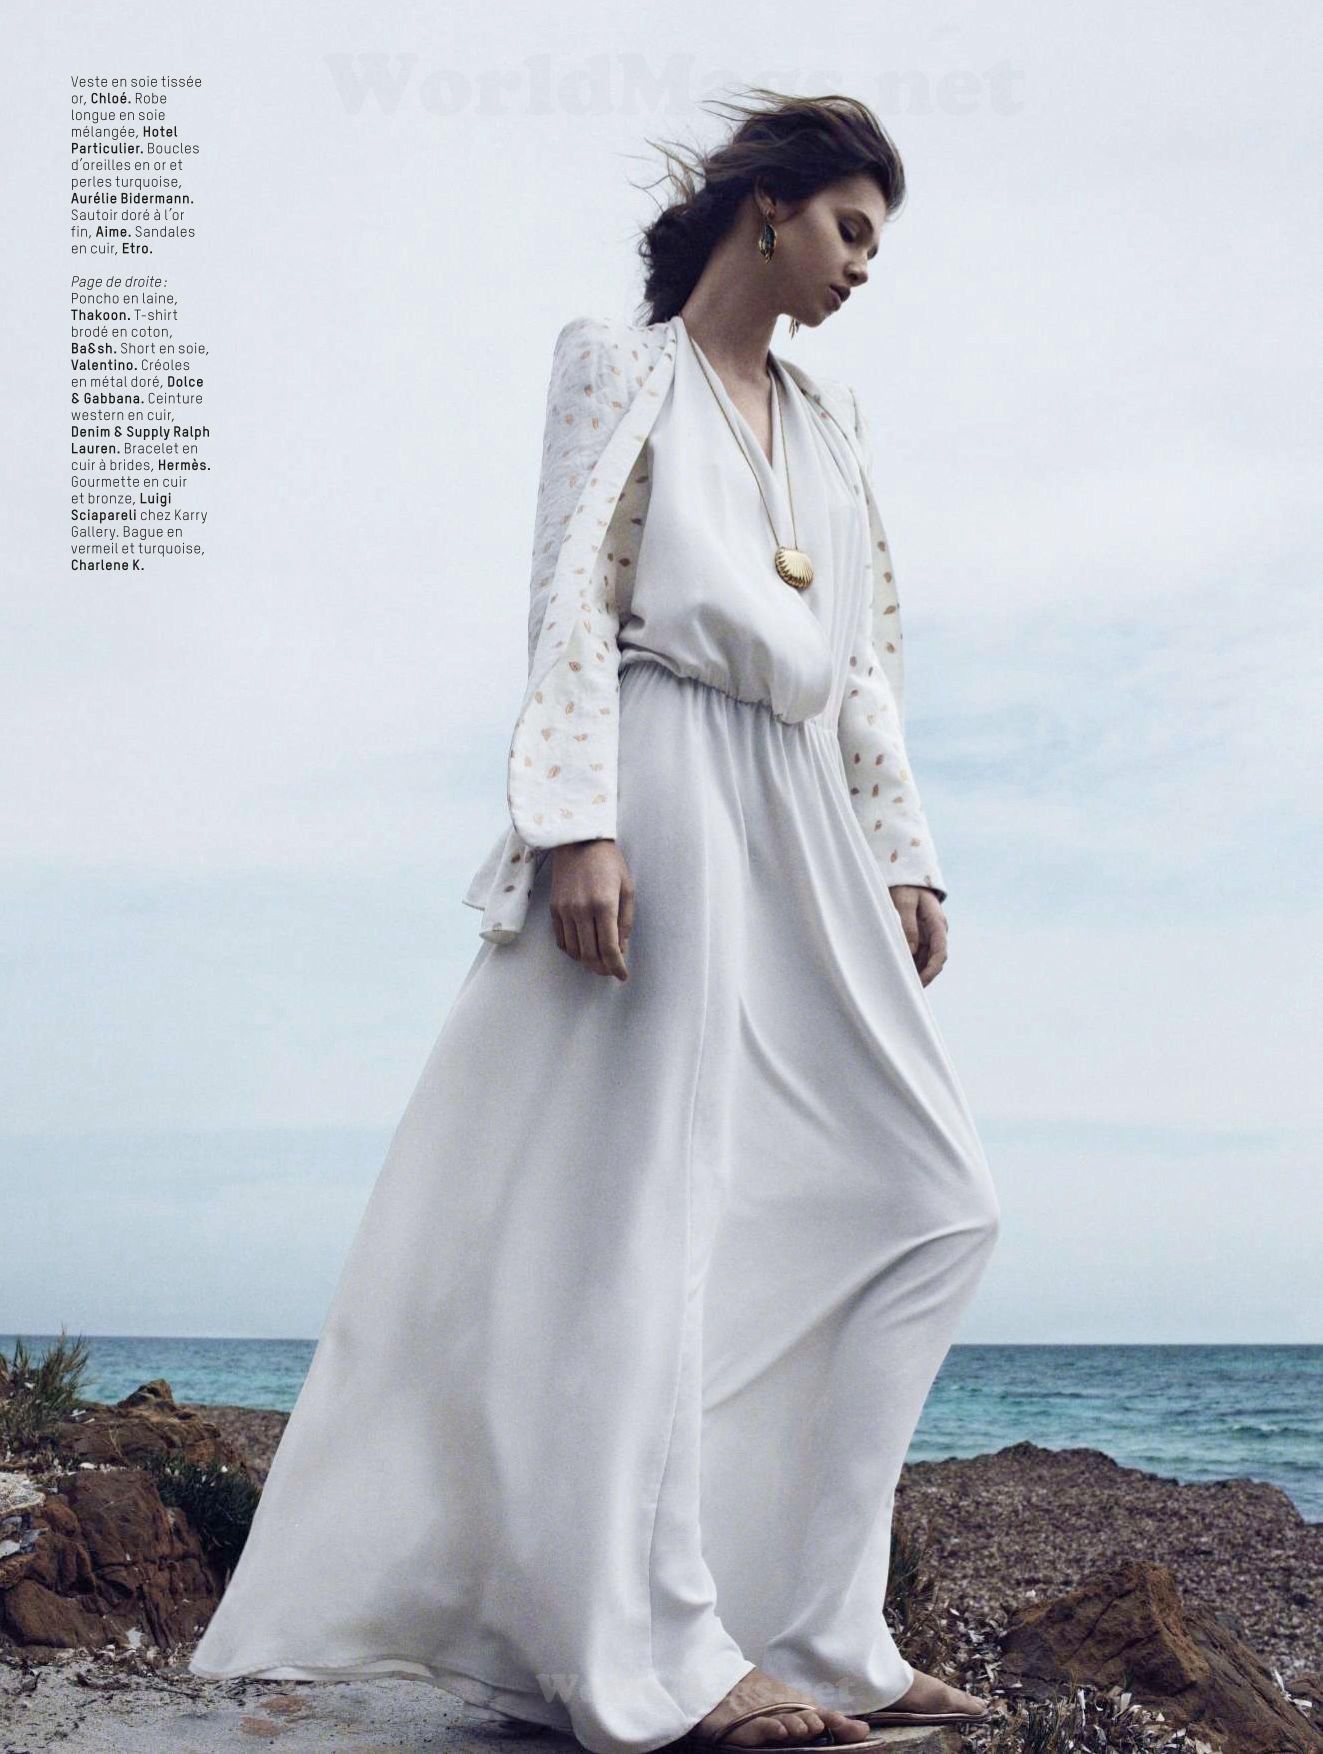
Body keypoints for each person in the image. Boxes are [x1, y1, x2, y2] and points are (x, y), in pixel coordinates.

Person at [188, 89, 1001, 1754]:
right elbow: (567, 596)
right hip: (665, 771)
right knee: (655, 1214)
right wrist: (577, 821)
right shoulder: (615, 367)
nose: (866, 266)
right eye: (852, 228)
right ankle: (668, 1648)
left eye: (878, 243)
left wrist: (902, 849)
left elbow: (859, 661)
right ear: (767, 207)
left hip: (802, 802)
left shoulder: (831, 422)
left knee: (933, 1196)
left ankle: (824, 1625)